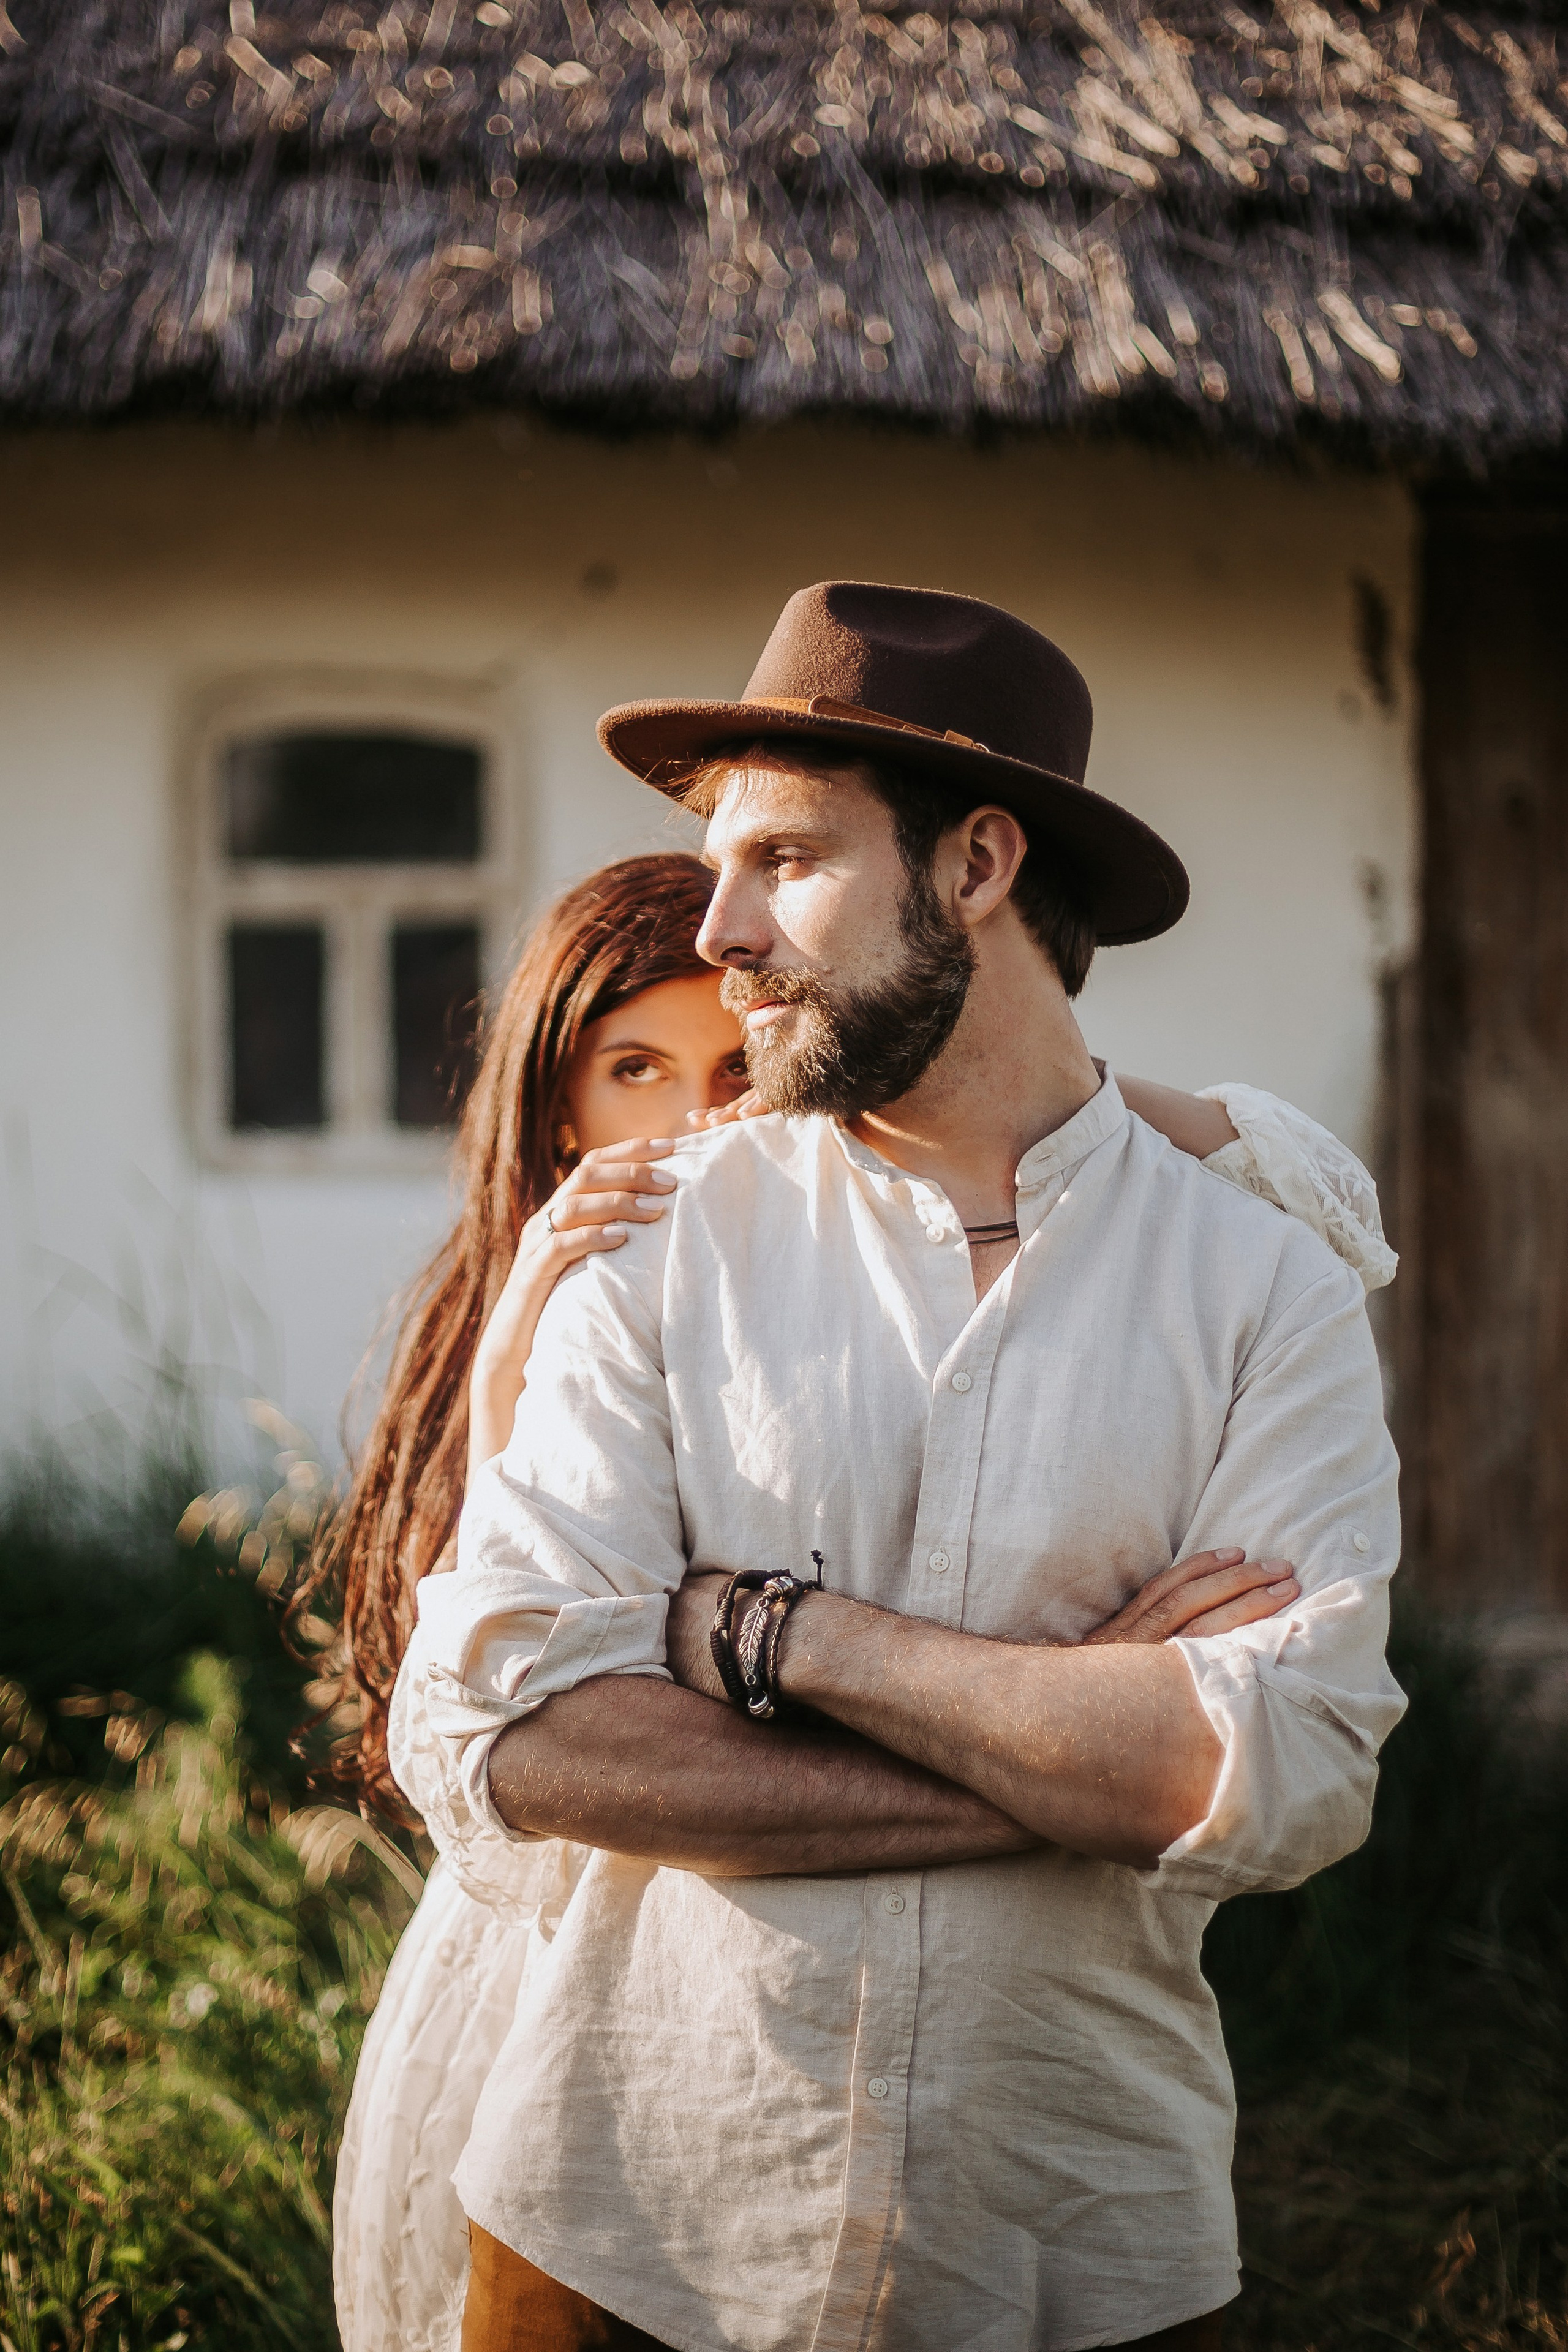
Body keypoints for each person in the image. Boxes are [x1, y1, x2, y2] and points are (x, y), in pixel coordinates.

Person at [388, 582, 1404, 2352]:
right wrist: (1097, 1745)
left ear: (978, 866)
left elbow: (1299, 1765)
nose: (721, 932)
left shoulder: (1265, 1287)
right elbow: (525, 1731)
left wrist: (782, 1641)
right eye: (718, 869)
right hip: (621, 2240)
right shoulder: (659, 1245)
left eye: (782, 859)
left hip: (1078, 2247)